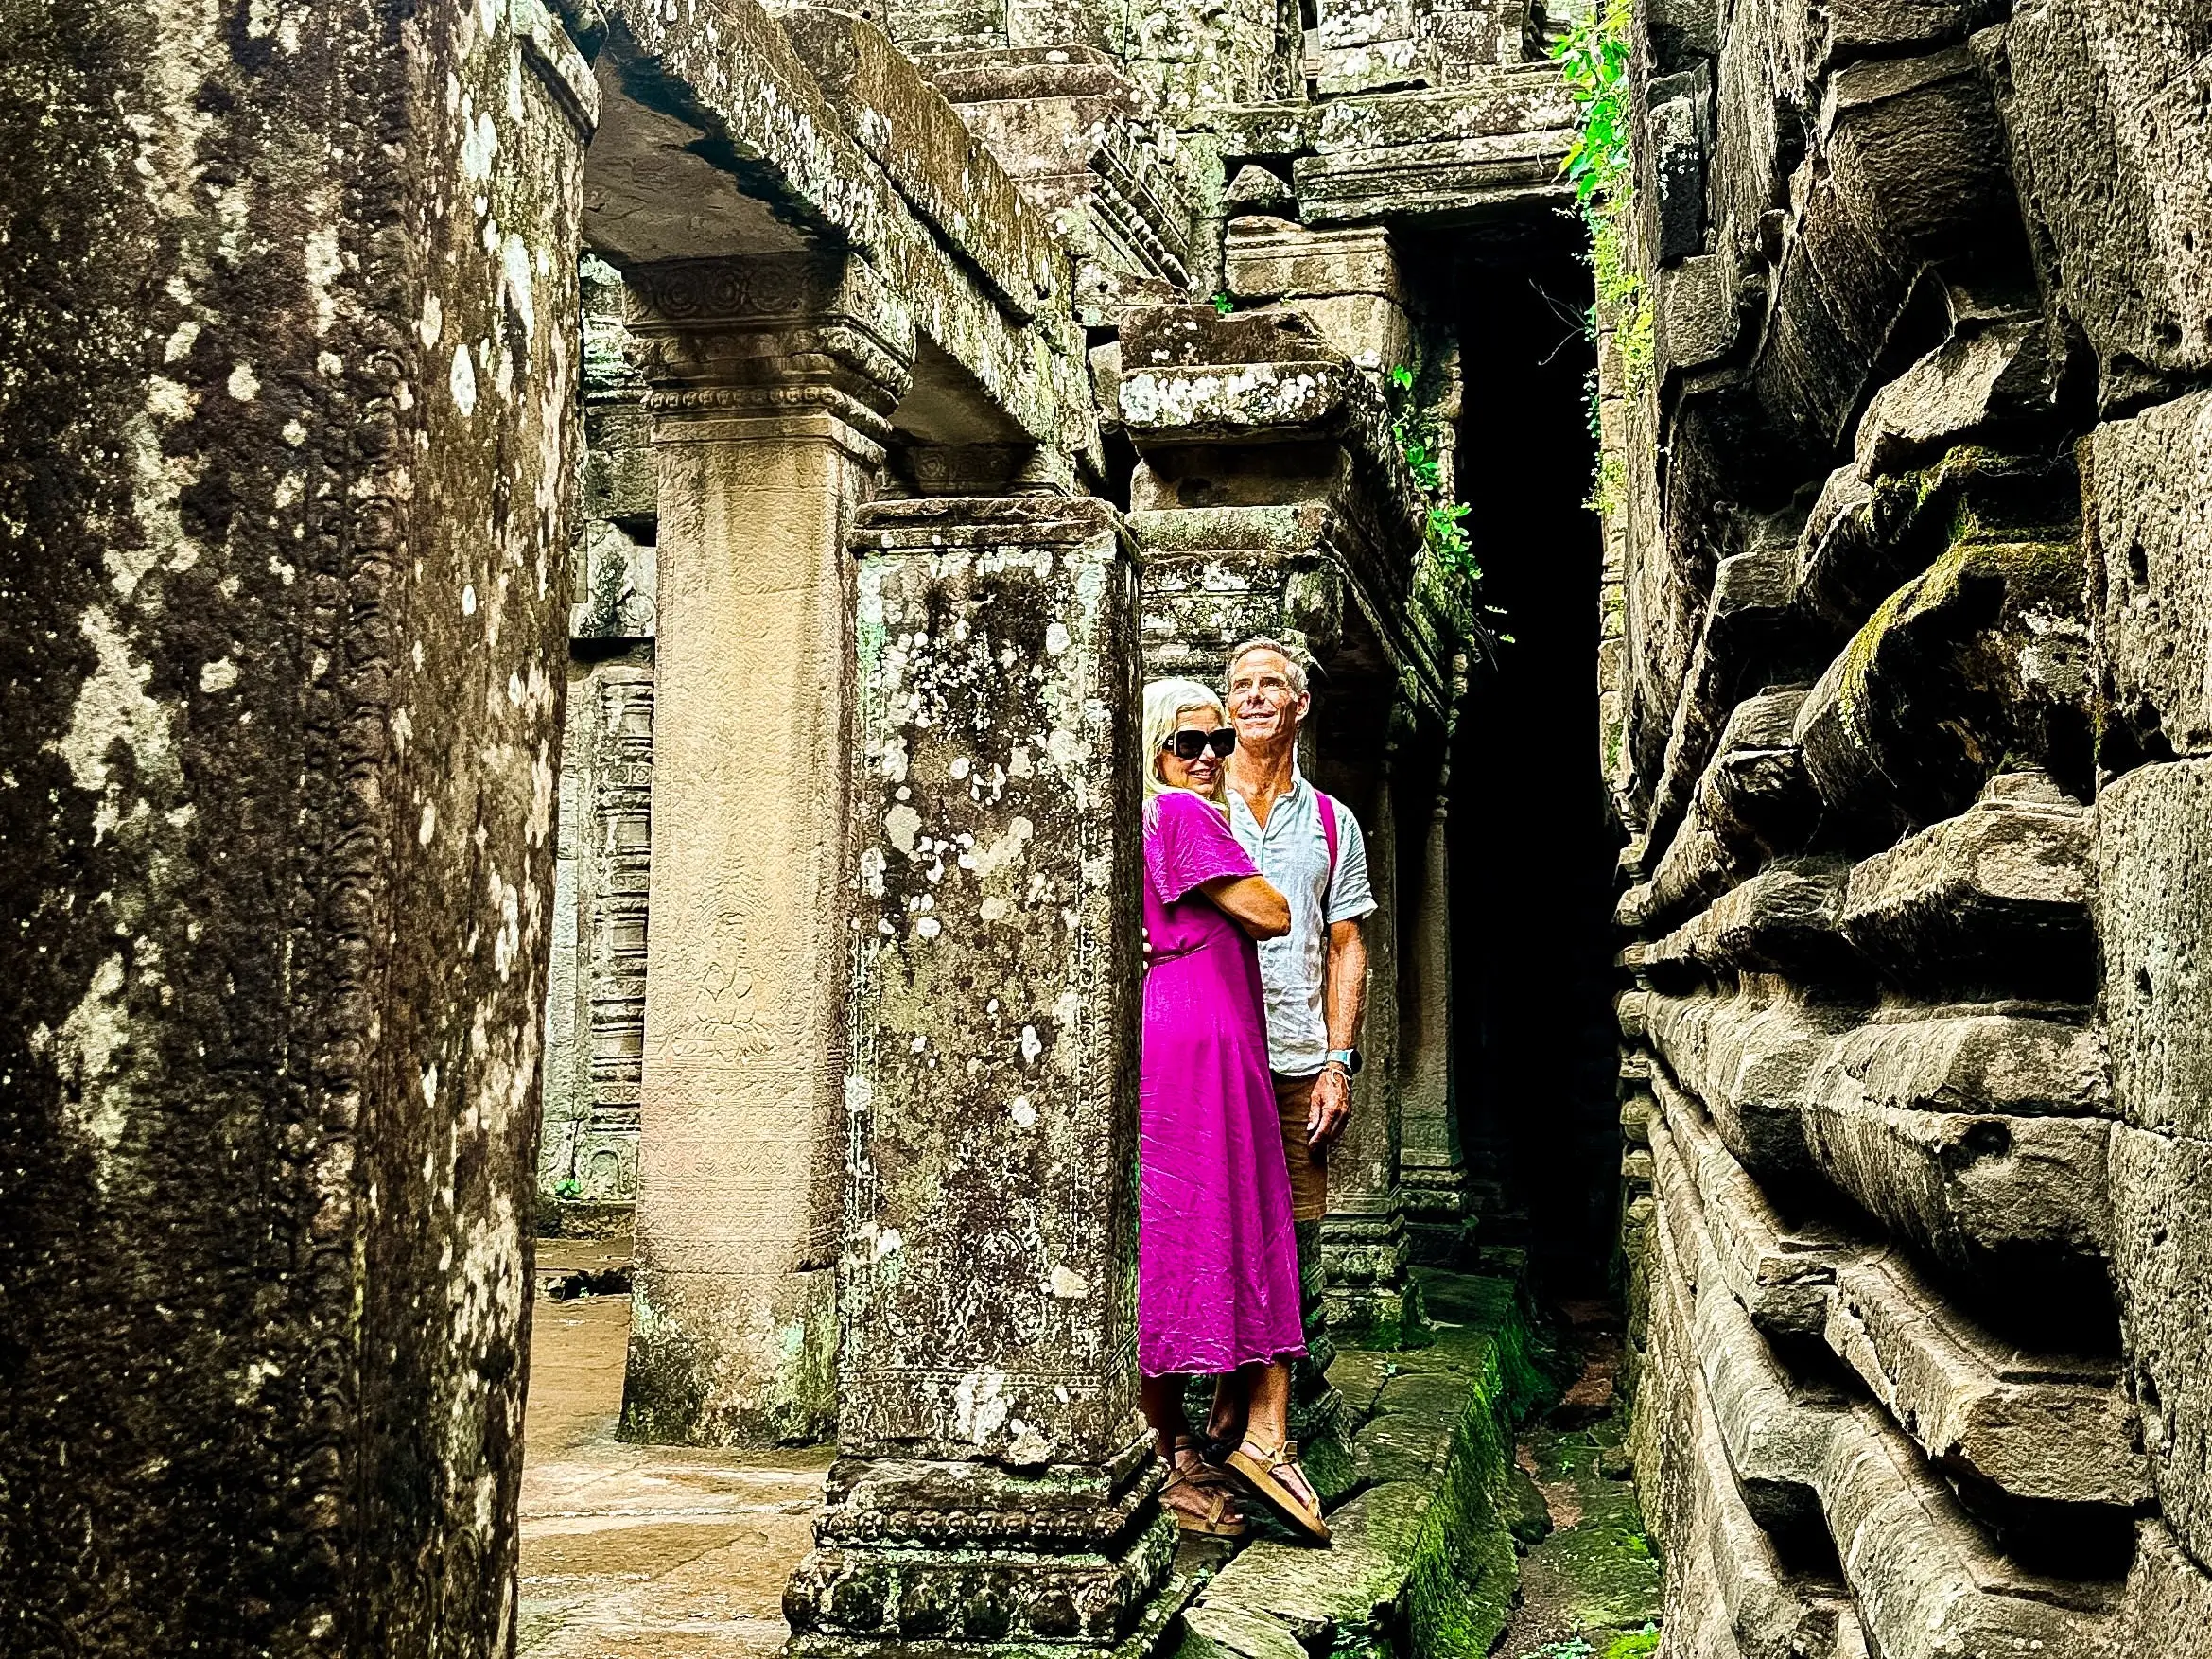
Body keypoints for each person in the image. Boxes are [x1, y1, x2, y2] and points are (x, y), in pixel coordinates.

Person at [1137, 677, 1332, 1544]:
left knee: (1190, 1222)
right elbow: (1270, 910)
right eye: (1189, 743)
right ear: (1156, 754)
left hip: (1201, 1021)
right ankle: (1223, 1441)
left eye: (1218, 741)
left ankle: (1182, 1442)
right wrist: (1250, 881)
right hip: (1200, 1034)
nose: (1209, 756)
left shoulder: (1162, 820)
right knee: (1217, 1215)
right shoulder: (1179, 815)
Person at [1220, 633, 1374, 1301]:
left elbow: (1346, 946)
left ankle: (1301, 1367)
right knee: (1212, 1227)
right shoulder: (1195, 808)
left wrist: (1337, 1064)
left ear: (1300, 703)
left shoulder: (1333, 823)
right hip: (1211, 1051)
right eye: (1241, 687)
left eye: (1271, 685)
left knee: (1298, 1241)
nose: (1254, 698)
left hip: (1296, 1056)